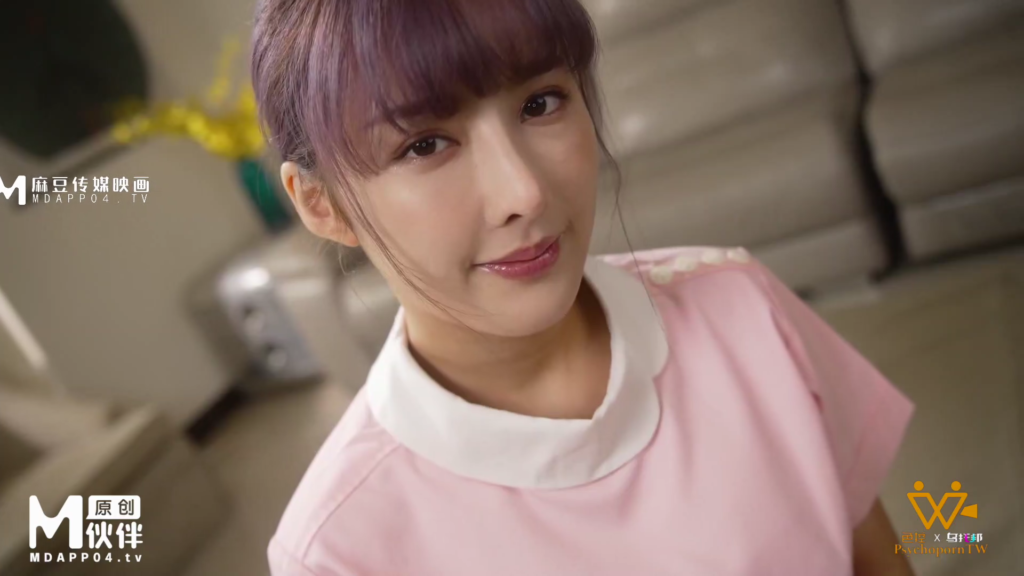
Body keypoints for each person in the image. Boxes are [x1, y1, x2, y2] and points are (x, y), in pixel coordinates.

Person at [250, 0, 916, 574]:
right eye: (424, 145)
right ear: (320, 204)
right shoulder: (337, 549)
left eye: (539, 103)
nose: (525, 192)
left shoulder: (741, 306)